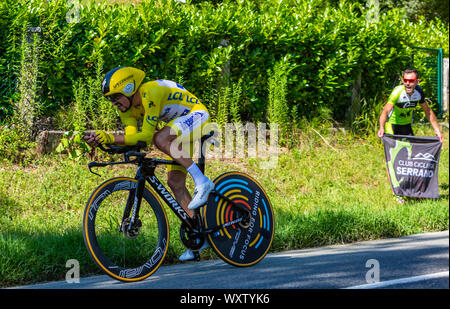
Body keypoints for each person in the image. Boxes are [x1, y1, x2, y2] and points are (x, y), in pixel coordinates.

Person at [84, 67, 213, 261]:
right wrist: (104, 141)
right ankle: (198, 239)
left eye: (115, 97)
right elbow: (132, 139)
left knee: (160, 139)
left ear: (129, 89)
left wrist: (109, 136)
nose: (113, 103)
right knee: (175, 183)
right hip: (178, 127)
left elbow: (144, 137)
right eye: (110, 99)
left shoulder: (148, 93)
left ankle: (202, 181)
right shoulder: (126, 110)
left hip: (197, 115)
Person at [377, 68, 444, 204]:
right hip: (392, 127)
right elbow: (385, 111)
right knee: (392, 161)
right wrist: (382, 127)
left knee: (410, 159)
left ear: (417, 82)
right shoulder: (397, 92)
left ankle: (413, 190)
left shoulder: (418, 93)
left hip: (406, 126)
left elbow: (428, 111)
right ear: (402, 81)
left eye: (411, 81)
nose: (407, 83)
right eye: (405, 80)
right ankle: (397, 194)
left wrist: (437, 130)